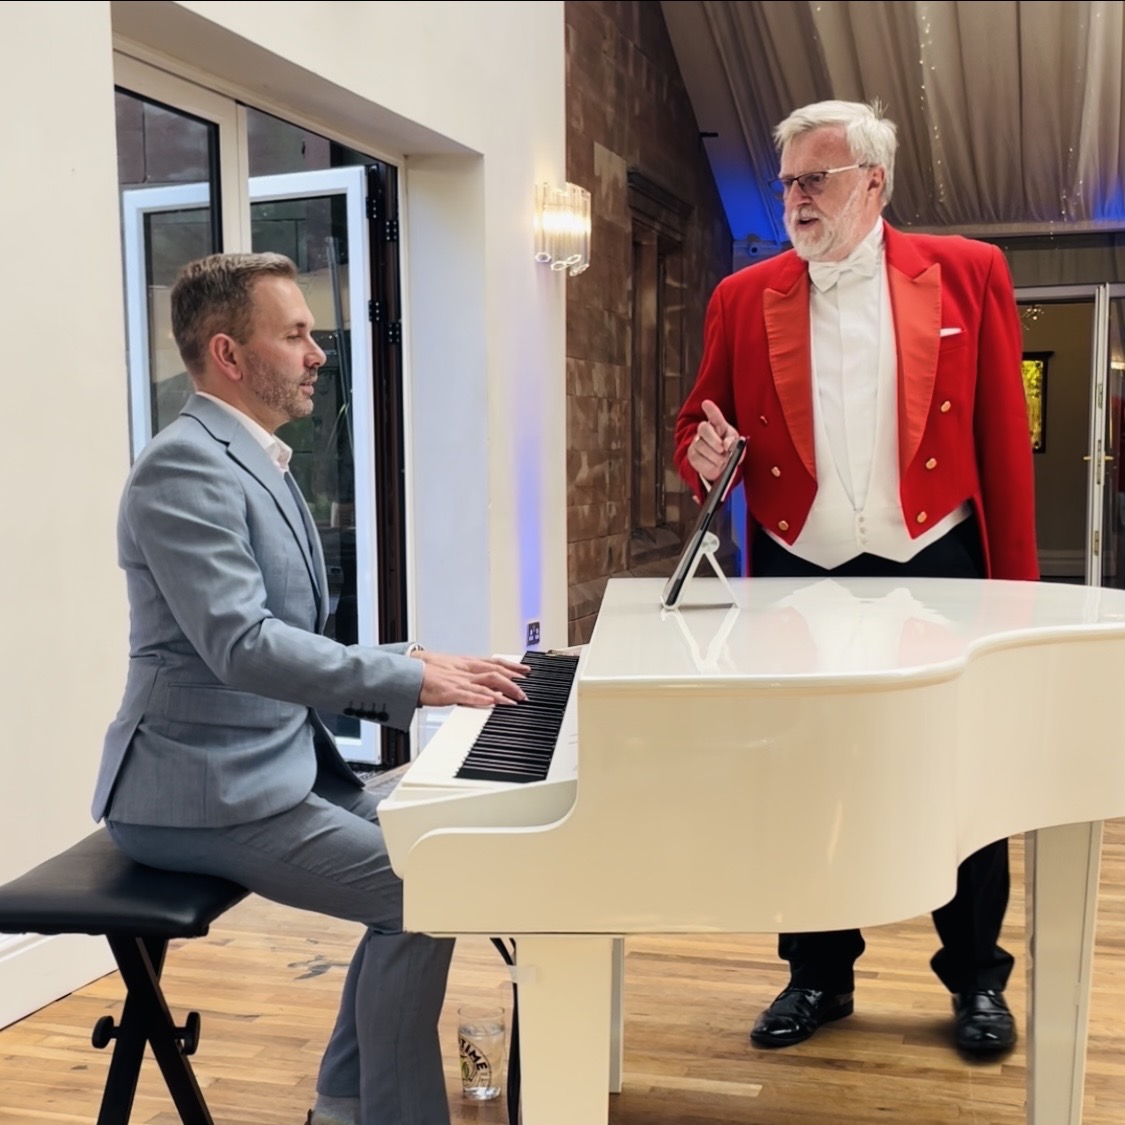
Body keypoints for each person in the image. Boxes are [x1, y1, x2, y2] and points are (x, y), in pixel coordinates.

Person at [91, 251, 529, 1125]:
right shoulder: (183, 469)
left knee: (444, 841)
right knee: (423, 890)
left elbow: (283, 635)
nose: (317, 352)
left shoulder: (254, 457)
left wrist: (419, 659)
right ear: (229, 353)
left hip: (271, 762)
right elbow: (242, 646)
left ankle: (342, 1103)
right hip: (197, 788)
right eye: (294, 334)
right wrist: (411, 681)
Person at [674, 100, 1037, 1056]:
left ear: (872, 183)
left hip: (939, 563)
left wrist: (1018, 597)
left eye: (815, 179)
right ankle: (817, 974)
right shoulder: (741, 297)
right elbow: (697, 425)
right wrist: (703, 456)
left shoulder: (967, 271)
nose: (794, 197)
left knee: (961, 779)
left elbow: (1002, 439)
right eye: (786, 181)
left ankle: (976, 979)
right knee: (806, 779)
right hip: (798, 572)